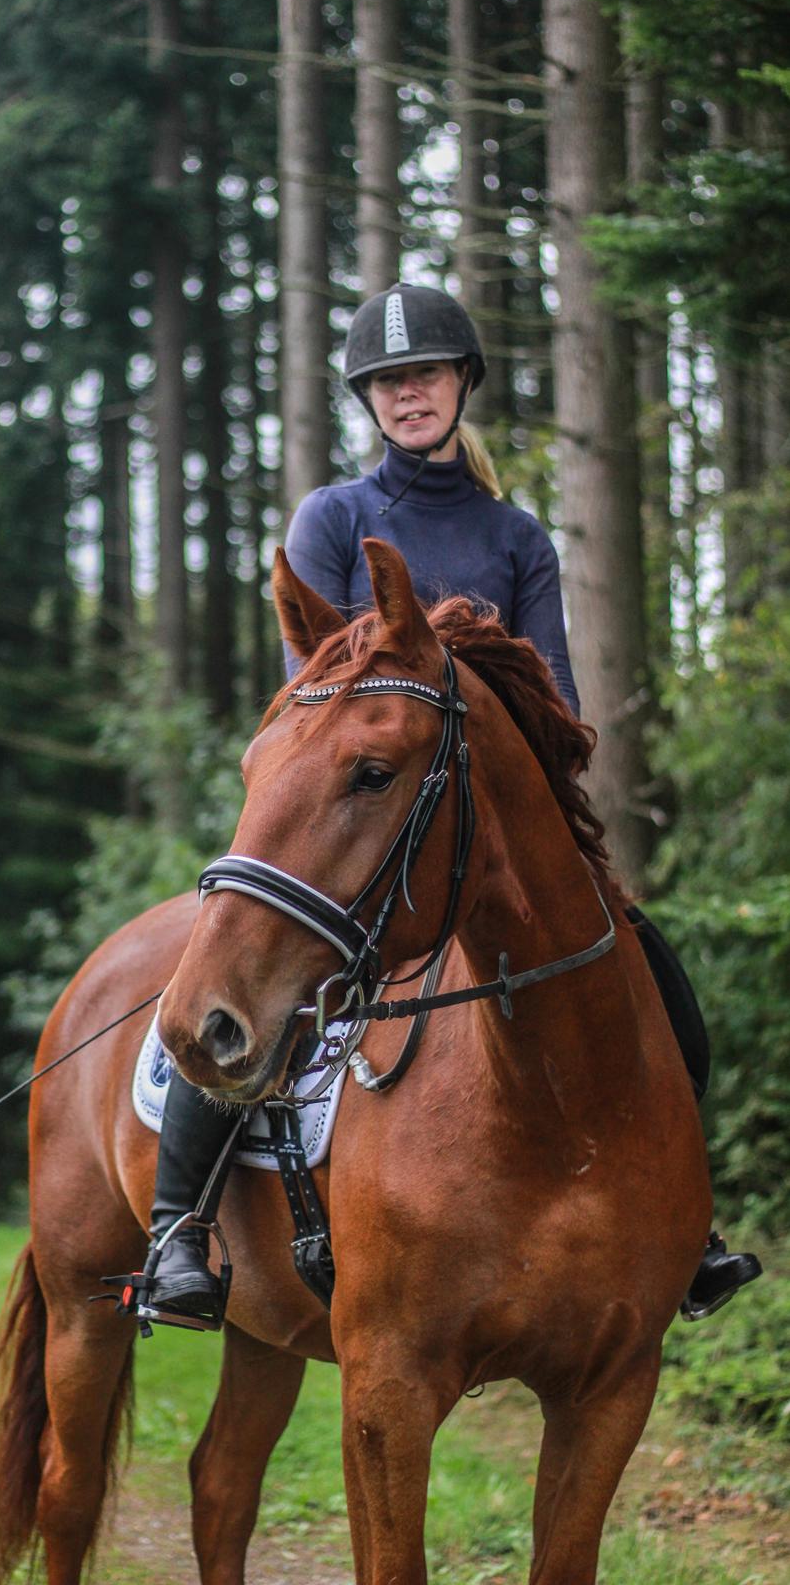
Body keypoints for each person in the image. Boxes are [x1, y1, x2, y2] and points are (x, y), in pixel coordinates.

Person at [136, 282, 760, 1325]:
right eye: (386, 381)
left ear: (460, 382)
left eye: (422, 373)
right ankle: (175, 1229)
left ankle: (683, 1223)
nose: (406, 394)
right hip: (353, 804)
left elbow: (547, 696)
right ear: (367, 400)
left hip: (488, 813)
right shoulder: (334, 518)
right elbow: (316, 695)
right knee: (247, 968)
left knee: (650, 972)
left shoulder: (515, 538)